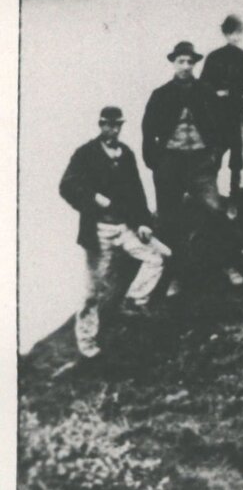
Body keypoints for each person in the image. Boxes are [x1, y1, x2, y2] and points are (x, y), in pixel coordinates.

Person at [61, 107, 166, 358]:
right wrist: (93, 197)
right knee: (93, 291)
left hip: (125, 227)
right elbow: (67, 186)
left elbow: (137, 192)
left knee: (158, 257)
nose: (114, 129)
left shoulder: (126, 154)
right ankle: (87, 343)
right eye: (109, 124)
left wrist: (143, 223)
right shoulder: (86, 153)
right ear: (100, 125)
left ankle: (133, 300)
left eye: (118, 124)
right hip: (98, 232)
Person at [142, 41, 243, 292]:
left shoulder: (206, 92)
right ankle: (174, 275)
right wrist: (156, 163)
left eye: (190, 62)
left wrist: (215, 155)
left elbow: (224, 126)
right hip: (170, 163)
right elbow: (148, 131)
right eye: (181, 61)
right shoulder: (160, 94)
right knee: (169, 219)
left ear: (195, 64)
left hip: (200, 164)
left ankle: (228, 264)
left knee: (216, 210)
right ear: (173, 63)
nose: (186, 66)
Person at [200, 15, 243, 200]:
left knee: (237, 153)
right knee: (216, 152)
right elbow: (203, 84)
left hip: (237, 112)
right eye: (232, 33)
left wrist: (241, 97)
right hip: (218, 113)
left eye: (238, 33)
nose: (235, 37)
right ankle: (211, 193)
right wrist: (216, 93)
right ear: (225, 34)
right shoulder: (214, 57)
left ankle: (235, 193)